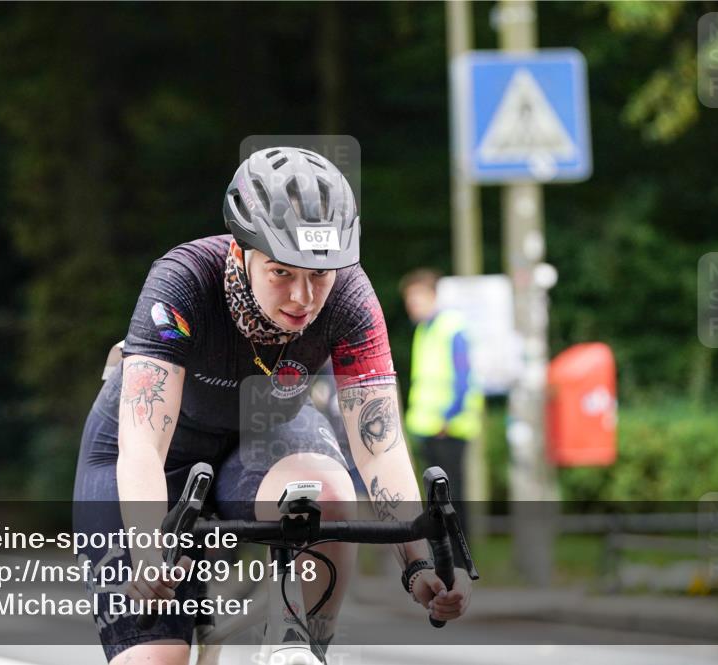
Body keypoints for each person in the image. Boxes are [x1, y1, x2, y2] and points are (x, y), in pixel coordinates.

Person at [74, 147, 472, 665]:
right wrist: (150, 549)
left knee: (328, 492)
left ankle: (305, 645)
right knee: (156, 659)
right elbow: (144, 443)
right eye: (282, 272)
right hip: (154, 453)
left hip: (261, 432)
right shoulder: (184, 280)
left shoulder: (350, 295)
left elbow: (379, 447)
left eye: (320, 275)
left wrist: (419, 563)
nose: (303, 297)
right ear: (241, 253)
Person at [399, 269, 484, 535]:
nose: (412, 304)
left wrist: (447, 418)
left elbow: (463, 377)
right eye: (409, 299)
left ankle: (460, 558)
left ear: (433, 296)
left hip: (448, 428)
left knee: (452, 496)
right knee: (437, 498)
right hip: (429, 428)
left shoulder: (451, 327)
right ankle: (443, 554)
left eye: (417, 297)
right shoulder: (425, 329)